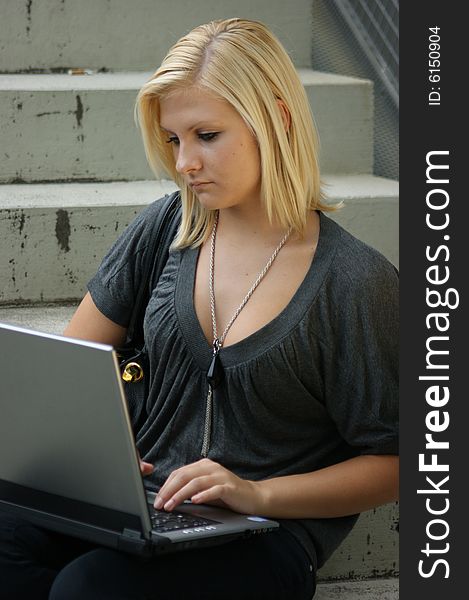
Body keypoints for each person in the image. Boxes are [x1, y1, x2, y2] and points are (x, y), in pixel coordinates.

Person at [0, 18, 398, 600]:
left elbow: (398, 462)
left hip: (265, 537)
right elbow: (69, 366)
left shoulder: (354, 284)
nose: (184, 162)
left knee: (90, 590)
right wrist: (100, 461)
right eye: (172, 139)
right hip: (147, 509)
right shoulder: (167, 229)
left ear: (277, 121)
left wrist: (256, 494)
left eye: (206, 135)